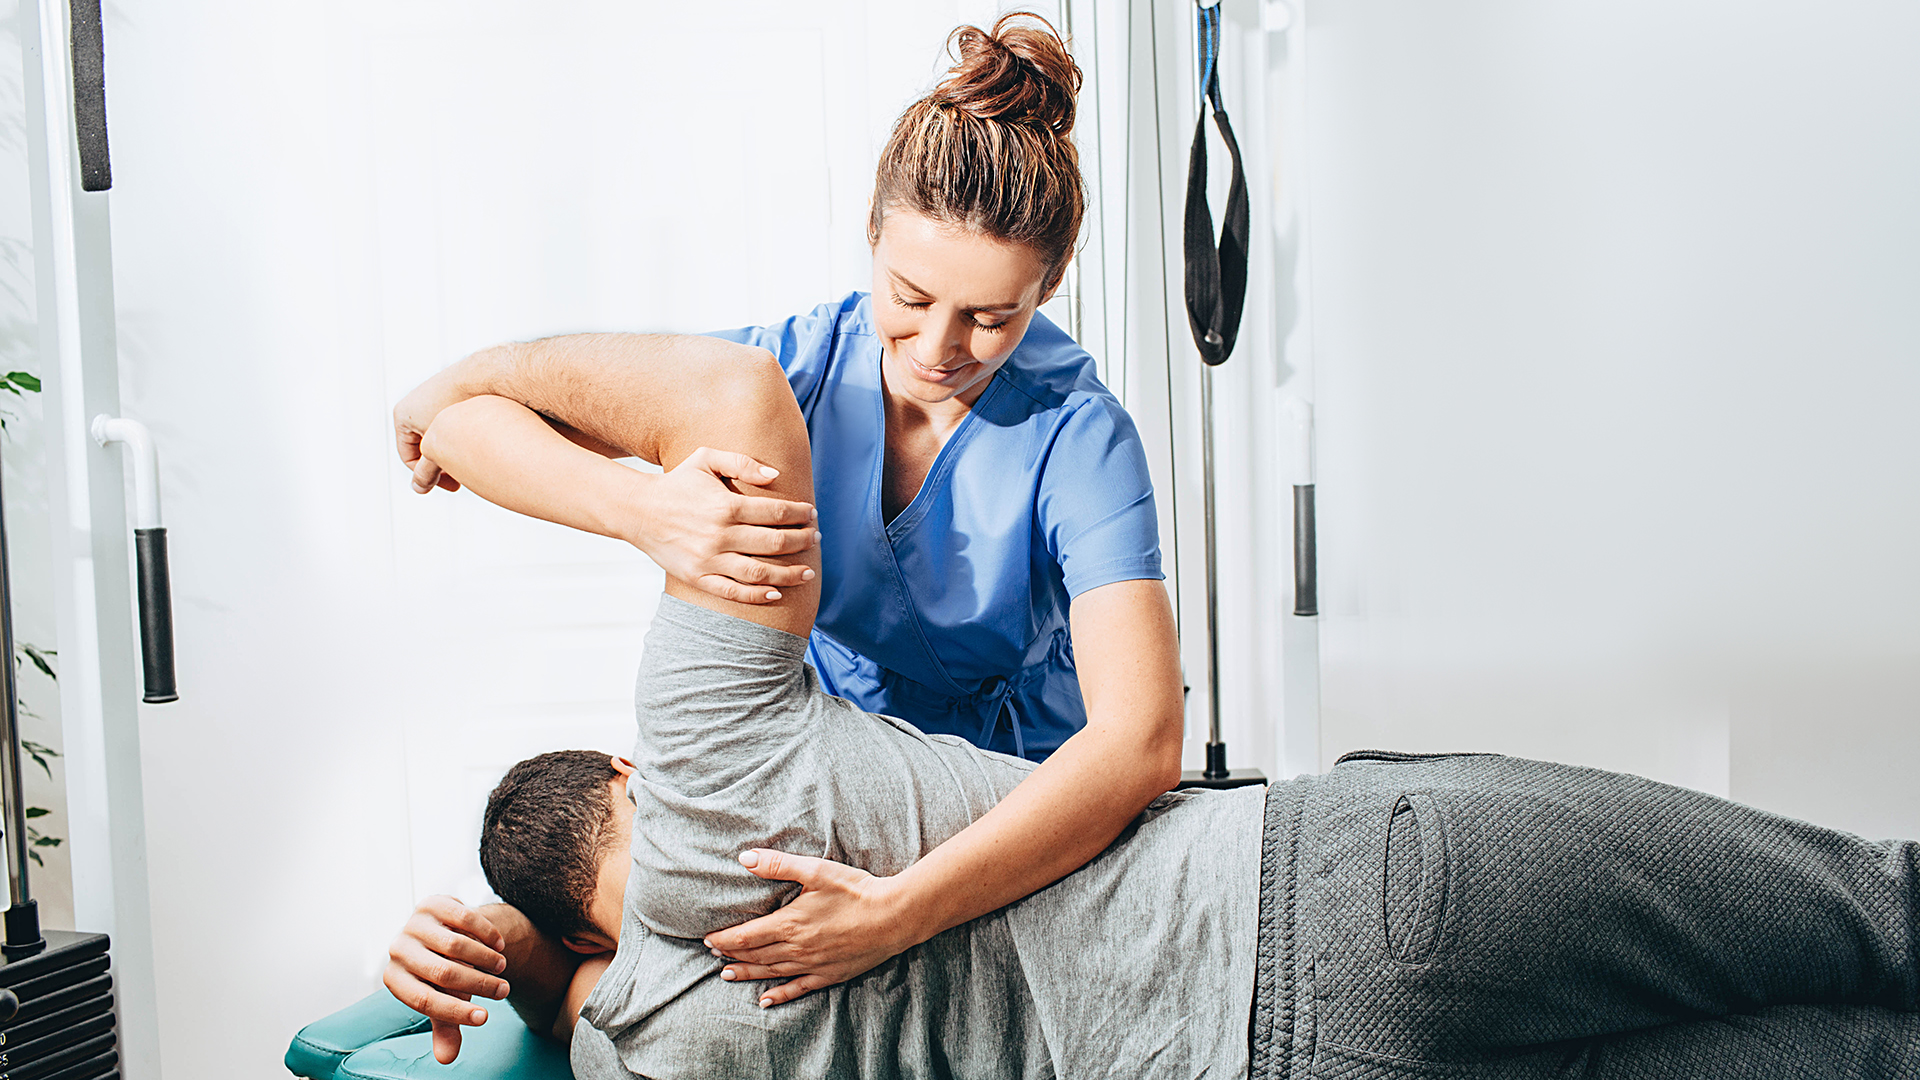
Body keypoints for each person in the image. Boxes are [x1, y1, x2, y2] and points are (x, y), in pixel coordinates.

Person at [396, 333, 1920, 1078]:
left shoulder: (647, 1047)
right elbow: (729, 398)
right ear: (625, 759)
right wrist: (570, 468)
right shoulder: (712, 759)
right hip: (1323, 900)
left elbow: (569, 1005)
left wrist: (524, 953)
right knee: (1879, 914)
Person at [387, 12, 1184, 1025]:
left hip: (1016, 812)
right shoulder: (791, 372)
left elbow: (1143, 740)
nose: (939, 346)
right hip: (839, 789)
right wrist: (644, 509)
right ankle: (536, 971)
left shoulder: (1080, 434)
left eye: (992, 318)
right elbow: (463, 430)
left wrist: (900, 914)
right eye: (910, 295)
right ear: (871, 233)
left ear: (1049, 288)